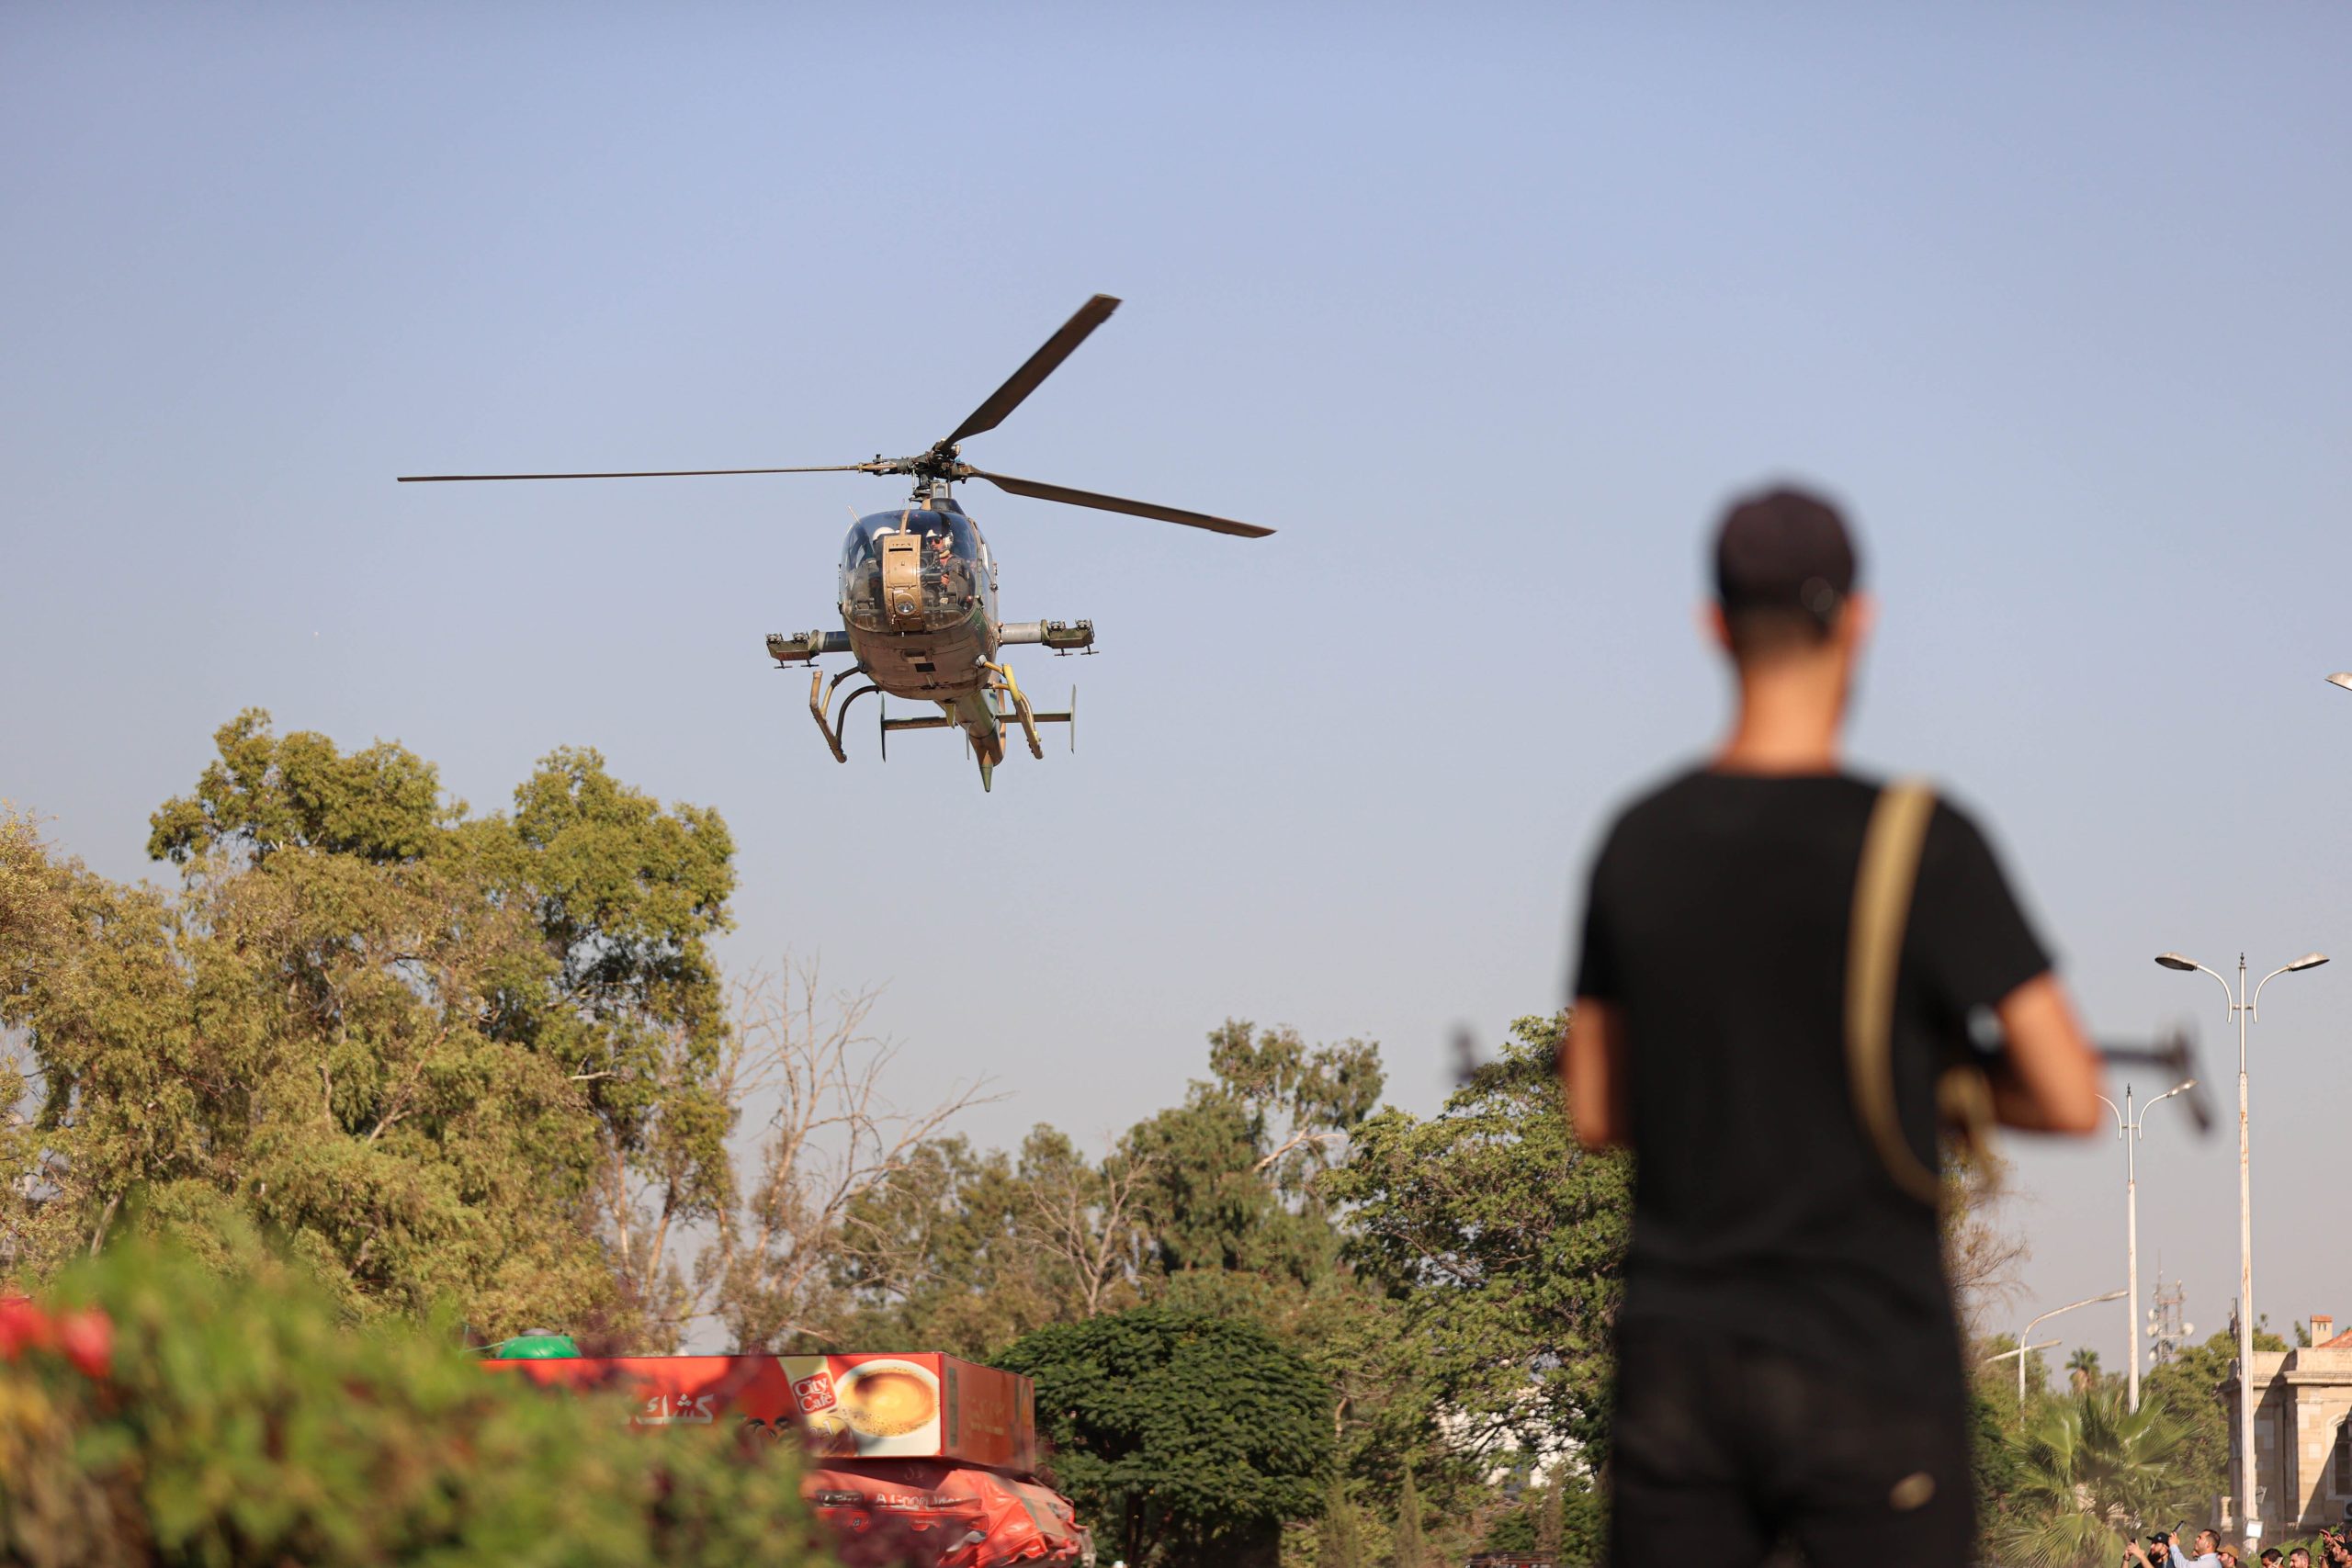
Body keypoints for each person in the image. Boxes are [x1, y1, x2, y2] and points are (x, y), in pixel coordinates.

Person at [1565, 485, 2105, 1567]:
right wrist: (1943, 1082)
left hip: (1684, 1369)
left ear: (1713, 626)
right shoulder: (1922, 841)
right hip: (1868, 1364)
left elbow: (1594, 1107)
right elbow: (2069, 1092)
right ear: (1857, 620)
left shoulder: (1639, 840)